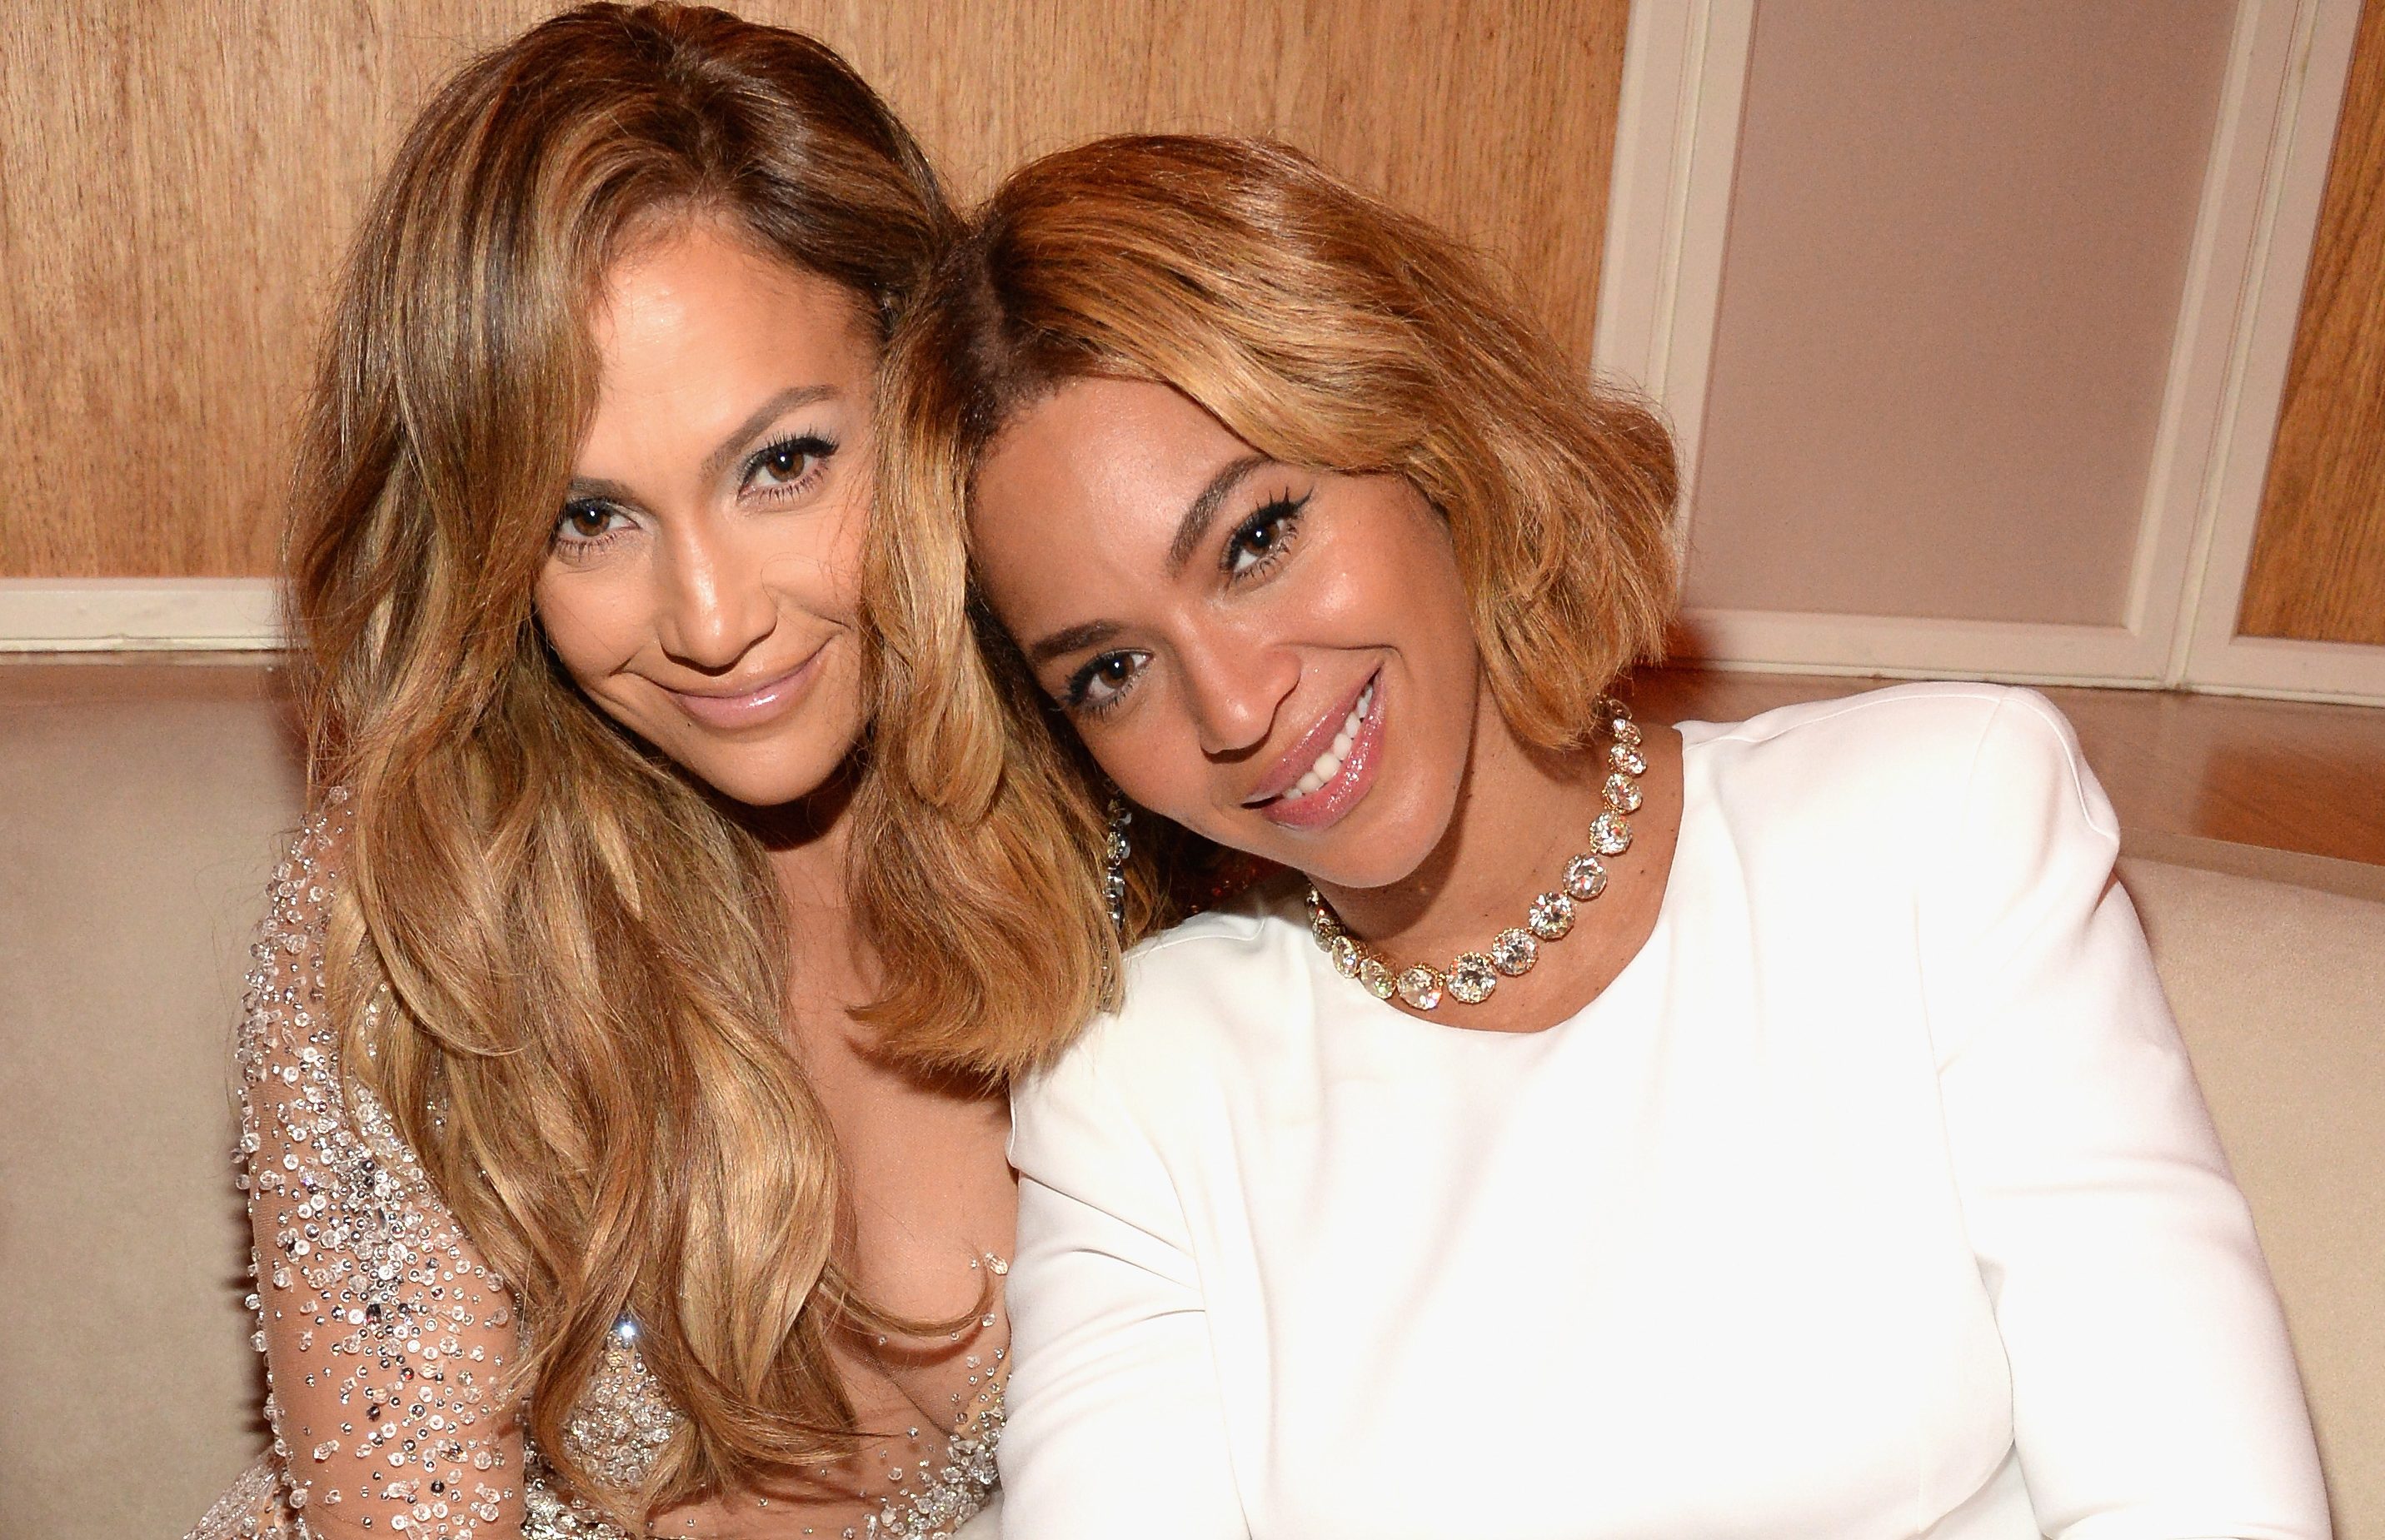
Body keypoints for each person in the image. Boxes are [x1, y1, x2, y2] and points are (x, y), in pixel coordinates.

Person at [864, 134, 2333, 1538]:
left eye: (1256, 538)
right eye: (1110, 670)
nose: (1237, 704)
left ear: (1426, 441)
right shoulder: (1142, 1089)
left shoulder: (1938, 830)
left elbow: (2202, 1496)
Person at [187, 8, 1092, 1538]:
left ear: (928, 380)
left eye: (783, 463)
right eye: (586, 517)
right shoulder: (420, 907)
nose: (718, 623)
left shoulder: (1127, 811)